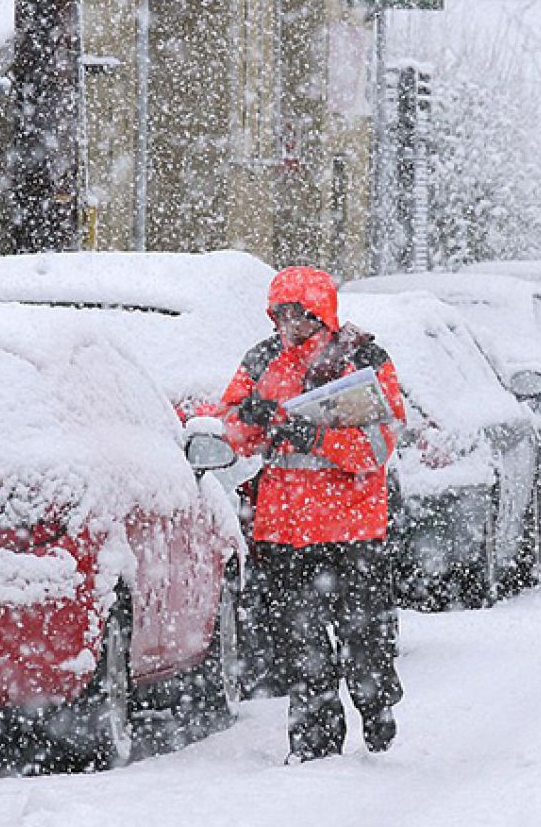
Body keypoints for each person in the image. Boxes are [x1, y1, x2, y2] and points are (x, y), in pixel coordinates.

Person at [220, 265, 407, 762]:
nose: (289, 326)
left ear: (320, 313)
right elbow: (230, 430)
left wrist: (319, 438)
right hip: (283, 528)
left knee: (364, 635)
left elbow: (379, 442)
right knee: (300, 646)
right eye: (281, 316)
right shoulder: (262, 360)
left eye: (299, 316)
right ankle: (313, 745)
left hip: (352, 527)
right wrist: (250, 418)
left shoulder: (362, 357)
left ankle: (375, 704)